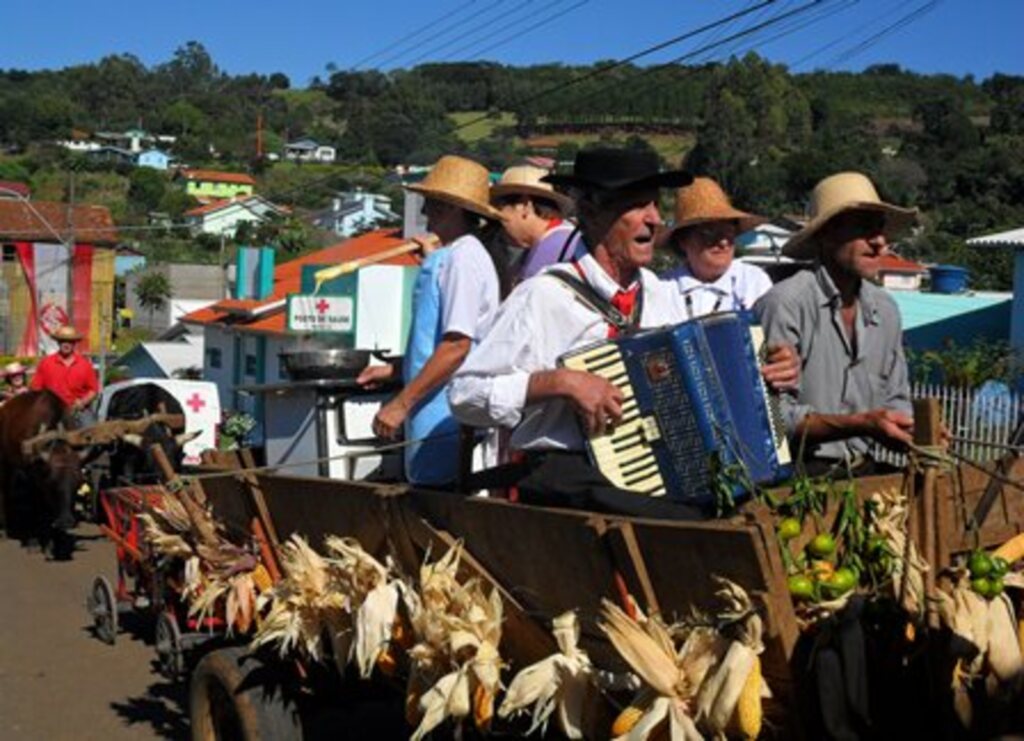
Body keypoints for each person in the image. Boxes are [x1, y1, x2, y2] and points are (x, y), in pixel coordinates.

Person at [449, 148, 706, 518]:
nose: (655, 219)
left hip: (652, 469)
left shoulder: (664, 296)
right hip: (564, 472)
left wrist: (760, 372)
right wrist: (560, 382)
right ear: (590, 211)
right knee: (677, 518)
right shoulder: (544, 295)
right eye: (636, 205)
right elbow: (464, 394)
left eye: (655, 204)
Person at [755, 171, 918, 470]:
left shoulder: (886, 310)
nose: (879, 242)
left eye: (880, 229)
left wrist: (914, 430)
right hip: (799, 474)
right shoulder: (785, 304)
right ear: (826, 236)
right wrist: (862, 424)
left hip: (864, 469)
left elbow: (897, 398)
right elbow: (774, 418)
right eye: (863, 229)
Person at [357, 155, 503, 487]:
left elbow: (456, 346)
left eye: (432, 205)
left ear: (452, 209)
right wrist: (397, 369)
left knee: (439, 499)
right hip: (435, 410)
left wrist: (400, 404)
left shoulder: (463, 260)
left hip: (445, 415)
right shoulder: (456, 256)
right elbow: (437, 340)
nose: (425, 213)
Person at [659, 177, 774, 317]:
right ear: (683, 240)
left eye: (729, 232)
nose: (723, 242)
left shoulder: (753, 281)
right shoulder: (663, 289)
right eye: (710, 233)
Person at [490, 165, 583, 283]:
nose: (498, 217)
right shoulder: (561, 239)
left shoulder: (554, 247)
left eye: (501, 207)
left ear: (524, 205)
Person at [30, 324, 99, 417]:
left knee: (91, 429)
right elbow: (36, 389)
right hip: (51, 411)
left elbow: (93, 390)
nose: (66, 344)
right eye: (63, 341)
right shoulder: (46, 363)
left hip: (78, 410)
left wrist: (82, 402)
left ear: (75, 343)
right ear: (58, 342)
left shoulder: (85, 364)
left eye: (70, 341)